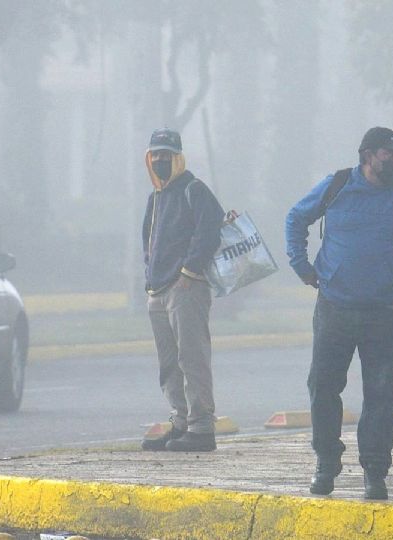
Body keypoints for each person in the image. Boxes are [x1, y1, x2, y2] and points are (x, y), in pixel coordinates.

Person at [284, 127, 393, 498]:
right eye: (390, 153)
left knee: (381, 393)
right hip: (334, 306)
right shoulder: (337, 185)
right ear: (368, 155)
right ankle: (326, 461)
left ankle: (375, 471)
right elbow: (295, 218)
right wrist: (301, 265)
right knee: (323, 386)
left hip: (384, 310)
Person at [141, 127, 225, 452]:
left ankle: (202, 428)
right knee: (169, 363)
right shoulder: (156, 197)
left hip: (186, 288)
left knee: (192, 358)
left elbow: (210, 229)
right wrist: (149, 276)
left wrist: (189, 271)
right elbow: (147, 241)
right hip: (158, 290)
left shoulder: (194, 189)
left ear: (178, 157)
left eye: (167, 154)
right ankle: (180, 423)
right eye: (156, 154)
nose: (161, 160)